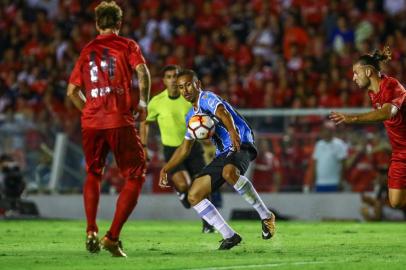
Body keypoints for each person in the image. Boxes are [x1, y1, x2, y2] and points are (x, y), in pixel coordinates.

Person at [66, 1, 150, 257]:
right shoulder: (127, 45)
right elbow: (143, 72)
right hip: (118, 119)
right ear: (119, 23)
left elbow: (72, 91)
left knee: (93, 172)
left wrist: (90, 111)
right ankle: (112, 237)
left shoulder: (87, 49)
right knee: (135, 174)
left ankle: (91, 229)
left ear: (96, 24)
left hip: (92, 122)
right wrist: (144, 102)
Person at [159, 69, 276, 250]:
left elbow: (222, 112)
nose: (185, 90)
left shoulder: (207, 98)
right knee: (194, 195)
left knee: (229, 172)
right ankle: (229, 235)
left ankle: (266, 215)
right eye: (181, 87)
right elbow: (184, 149)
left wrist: (232, 132)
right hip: (223, 153)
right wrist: (166, 169)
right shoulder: (191, 117)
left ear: (197, 84)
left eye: (188, 85)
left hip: (241, 142)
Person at [140, 65, 218, 233]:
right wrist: (144, 146)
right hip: (171, 150)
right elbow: (144, 122)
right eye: (169, 77)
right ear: (164, 81)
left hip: (193, 147)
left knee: (202, 184)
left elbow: (204, 118)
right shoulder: (157, 102)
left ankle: (208, 224)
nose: (173, 80)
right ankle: (181, 191)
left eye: (176, 76)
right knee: (184, 184)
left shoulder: (189, 99)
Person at [330, 46, 406, 208]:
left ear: (368, 72)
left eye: (356, 73)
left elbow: (388, 112)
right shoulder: (373, 94)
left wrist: (353, 118)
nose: (353, 78)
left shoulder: (391, 85)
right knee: (396, 201)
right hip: (400, 152)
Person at [305, 121, 348, 192]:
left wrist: (341, 180)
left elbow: (343, 164)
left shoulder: (339, 144)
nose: (325, 133)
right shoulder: (319, 145)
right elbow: (315, 164)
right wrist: (313, 181)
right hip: (320, 183)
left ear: (332, 132)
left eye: (328, 131)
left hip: (334, 182)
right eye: (323, 130)